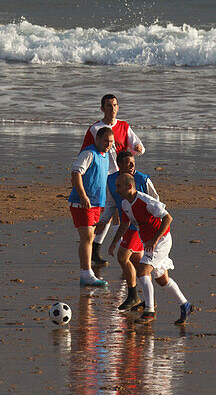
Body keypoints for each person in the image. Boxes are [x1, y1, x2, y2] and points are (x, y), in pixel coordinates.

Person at [114, 172, 194, 325]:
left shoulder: (145, 201)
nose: (116, 189)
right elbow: (125, 224)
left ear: (129, 186)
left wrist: (155, 239)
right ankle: (185, 305)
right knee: (161, 279)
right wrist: (114, 242)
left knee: (143, 270)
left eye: (119, 186)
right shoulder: (125, 204)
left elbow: (167, 218)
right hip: (149, 243)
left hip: (161, 241)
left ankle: (149, 311)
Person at [81, 94, 145, 266]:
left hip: (122, 175)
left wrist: (138, 148)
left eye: (115, 105)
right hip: (104, 176)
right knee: (113, 213)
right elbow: (86, 153)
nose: (112, 108)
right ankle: (110, 249)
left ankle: (104, 249)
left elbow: (137, 148)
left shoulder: (124, 126)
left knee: (118, 213)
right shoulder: (95, 129)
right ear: (102, 108)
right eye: (109, 105)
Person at [105, 150, 160, 311]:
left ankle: (133, 295)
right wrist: (103, 220)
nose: (132, 165)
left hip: (139, 227)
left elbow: (156, 202)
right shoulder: (111, 180)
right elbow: (111, 203)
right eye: (128, 163)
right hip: (126, 224)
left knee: (123, 256)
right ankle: (148, 300)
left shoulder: (143, 179)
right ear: (119, 164)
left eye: (133, 162)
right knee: (138, 264)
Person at [69, 126, 113, 287]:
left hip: (97, 203)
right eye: (105, 141)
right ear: (97, 139)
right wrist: (82, 195)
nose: (108, 145)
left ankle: (86, 273)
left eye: (111, 142)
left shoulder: (105, 155)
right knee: (87, 237)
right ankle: (86, 273)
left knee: (91, 236)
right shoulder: (89, 153)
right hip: (82, 202)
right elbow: (76, 173)